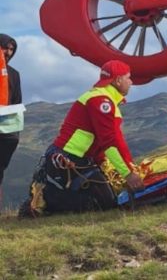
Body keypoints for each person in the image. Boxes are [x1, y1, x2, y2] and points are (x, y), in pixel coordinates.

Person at [18, 60, 144, 218]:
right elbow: (110, 141)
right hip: (69, 160)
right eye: (128, 77)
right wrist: (128, 173)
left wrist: (105, 163)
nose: (131, 82)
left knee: (107, 199)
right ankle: (46, 199)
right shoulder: (101, 101)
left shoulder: (101, 98)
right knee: (105, 204)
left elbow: (100, 140)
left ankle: (52, 195)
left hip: (76, 159)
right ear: (118, 80)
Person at [0, 34, 21, 205]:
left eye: (11, 49)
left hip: (5, 126)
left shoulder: (14, 74)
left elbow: (16, 101)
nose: (8, 52)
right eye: (5, 47)